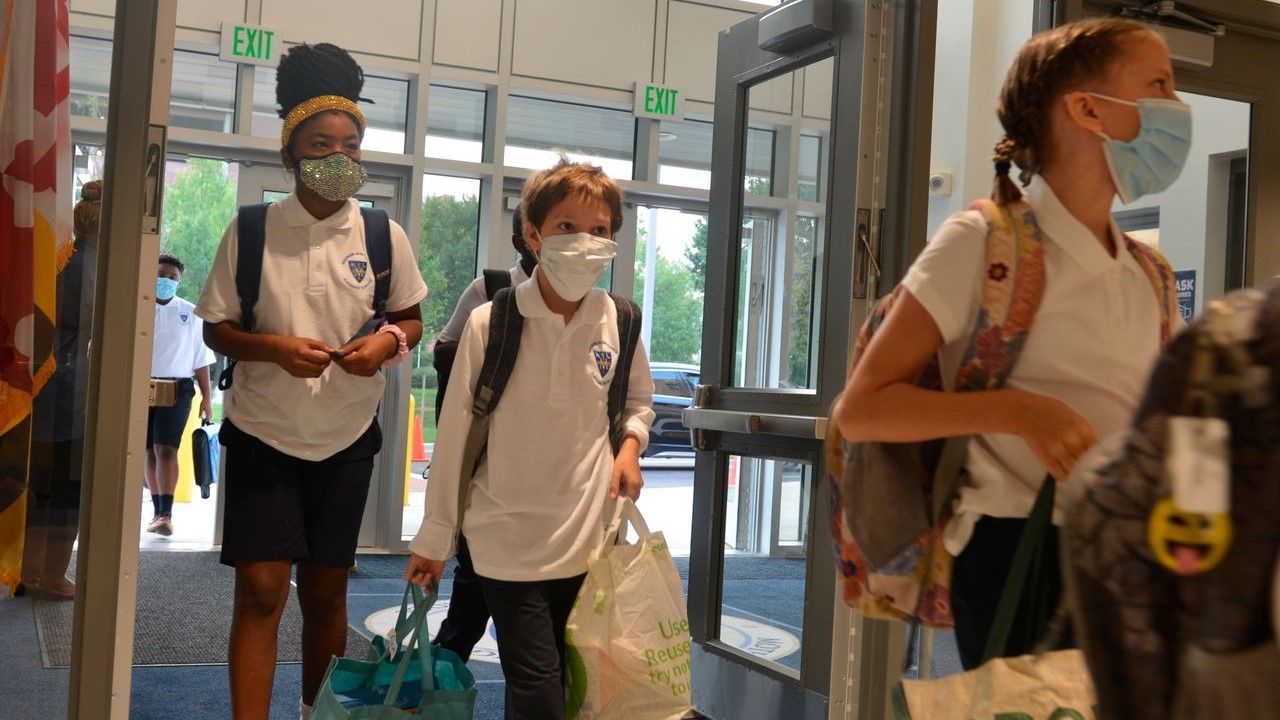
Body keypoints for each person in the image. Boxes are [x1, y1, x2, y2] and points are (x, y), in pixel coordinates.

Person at [835, 18, 1188, 668]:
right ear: (1087, 109)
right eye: (1160, 85)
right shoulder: (985, 243)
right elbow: (863, 409)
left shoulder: (1150, 273)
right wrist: (1019, 411)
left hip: (1129, 551)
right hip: (1021, 551)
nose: (1177, 107)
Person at [196, 42, 428, 720]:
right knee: (261, 591)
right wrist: (270, 348)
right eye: (321, 144)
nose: (339, 157)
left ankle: (315, 712)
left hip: (346, 437)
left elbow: (411, 320)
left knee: (327, 594)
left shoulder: (382, 234)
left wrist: (385, 343)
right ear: (291, 153)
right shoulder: (252, 230)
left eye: (351, 145)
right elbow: (217, 330)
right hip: (263, 432)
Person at [405, 159, 655, 720]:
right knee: (538, 685)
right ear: (534, 235)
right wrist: (435, 537)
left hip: (588, 537)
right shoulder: (491, 322)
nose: (584, 242)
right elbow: (457, 437)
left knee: (568, 683)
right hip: (504, 538)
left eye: (599, 230)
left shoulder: (620, 321)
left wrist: (629, 449)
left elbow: (639, 403)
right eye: (567, 226)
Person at [428, 205, 536, 663]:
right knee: (474, 576)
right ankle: (440, 675)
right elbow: (443, 352)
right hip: (488, 460)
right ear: (521, 241)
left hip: (545, 471)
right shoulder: (490, 289)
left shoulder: (591, 307)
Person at [22, 180, 104, 599]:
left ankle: (26, 571)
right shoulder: (96, 269)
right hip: (70, 391)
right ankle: (51, 576)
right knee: (66, 492)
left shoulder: (57, 260)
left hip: (36, 387)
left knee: (34, 485)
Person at [143, 253, 215, 537]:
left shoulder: (191, 313)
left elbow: (201, 360)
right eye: (161, 274)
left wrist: (207, 398)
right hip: (142, 387)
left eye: (172, 277)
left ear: (179, 281)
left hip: (178, 389)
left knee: (166, 448)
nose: (166, 280)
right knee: (148, 451)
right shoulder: (138, 307)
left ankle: (166, 514)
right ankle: (156, 512)